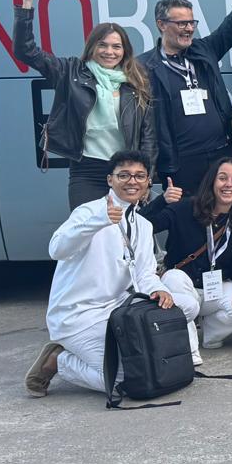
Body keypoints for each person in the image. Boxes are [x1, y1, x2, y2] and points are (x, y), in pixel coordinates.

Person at [24, 150, 173, 398]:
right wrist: (98, 221)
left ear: (148, 182)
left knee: (150, 365)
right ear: (110, 180)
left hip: (115, 311)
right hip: (77, 315)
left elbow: (144, 273)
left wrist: (159, 289)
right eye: (124, 175)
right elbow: (56, 249)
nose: (132, 181)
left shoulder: (143, 225)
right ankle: (58, 360)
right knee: (125, 379)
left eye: (139, 176)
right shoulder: (88, 212)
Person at [14, 0, 158, 207]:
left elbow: (148, 136)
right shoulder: (70, 71)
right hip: (86, 172)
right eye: (102, 45)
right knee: (87, 228)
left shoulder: (136, 82)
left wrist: (145, 179)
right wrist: (26, 6)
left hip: (126, 173)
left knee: (125, 230)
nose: (109, 52)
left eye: (116, 46)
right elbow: (25, 51)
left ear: (125, 51)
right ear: (92, 47)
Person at [142, 0, 232, 191]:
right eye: (181, 23)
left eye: (192, 22)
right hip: (181, 164)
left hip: (221, 155)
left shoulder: (204, 50)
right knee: (187, 214)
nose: (189, 28)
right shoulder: (144, 66)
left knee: (231, 211)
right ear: (161, 24)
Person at [144, 154, 232, 357]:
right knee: (175, 277)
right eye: (222, 178)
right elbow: (143, 226)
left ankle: (211, 333)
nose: (229, 184)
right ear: (212, 181)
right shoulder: (186, 208)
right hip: (182, 286)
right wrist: (161, 201)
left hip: (215, 289)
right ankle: (189, 351)